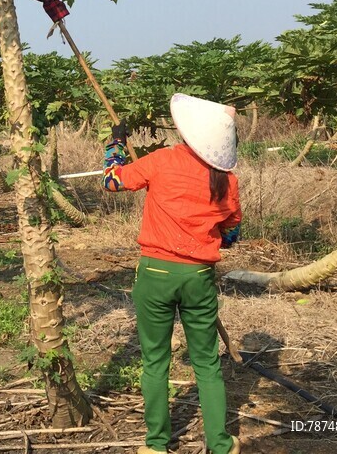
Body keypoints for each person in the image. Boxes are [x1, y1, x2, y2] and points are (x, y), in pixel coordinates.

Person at [102, 93, 242, 454]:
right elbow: (230, 236)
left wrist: (116, 144)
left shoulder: (161, 161)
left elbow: (112, 181)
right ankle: (221, 444)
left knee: (155, 362)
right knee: (207, 364)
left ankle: (156, 445)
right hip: (198, 278)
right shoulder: (228, 181)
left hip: (155, 274)